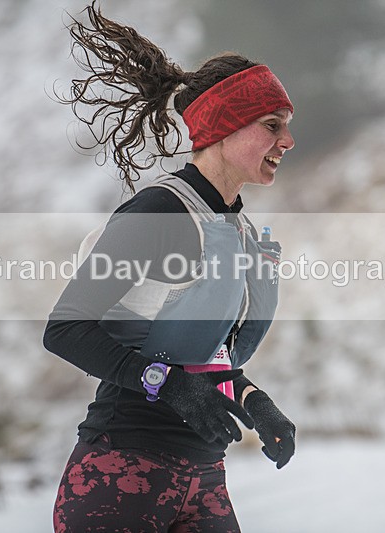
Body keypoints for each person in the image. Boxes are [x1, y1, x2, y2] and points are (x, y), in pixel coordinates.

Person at [44, 2, 296, 531]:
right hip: (121, 470)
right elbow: (64, 329)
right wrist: (167, 385)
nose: (287, 142)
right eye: (271, 125)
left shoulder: (241, 233)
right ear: (226, 129)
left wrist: (253, 398)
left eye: (286, 127)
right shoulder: (160, 212)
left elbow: (204, 356)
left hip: (203, 476)